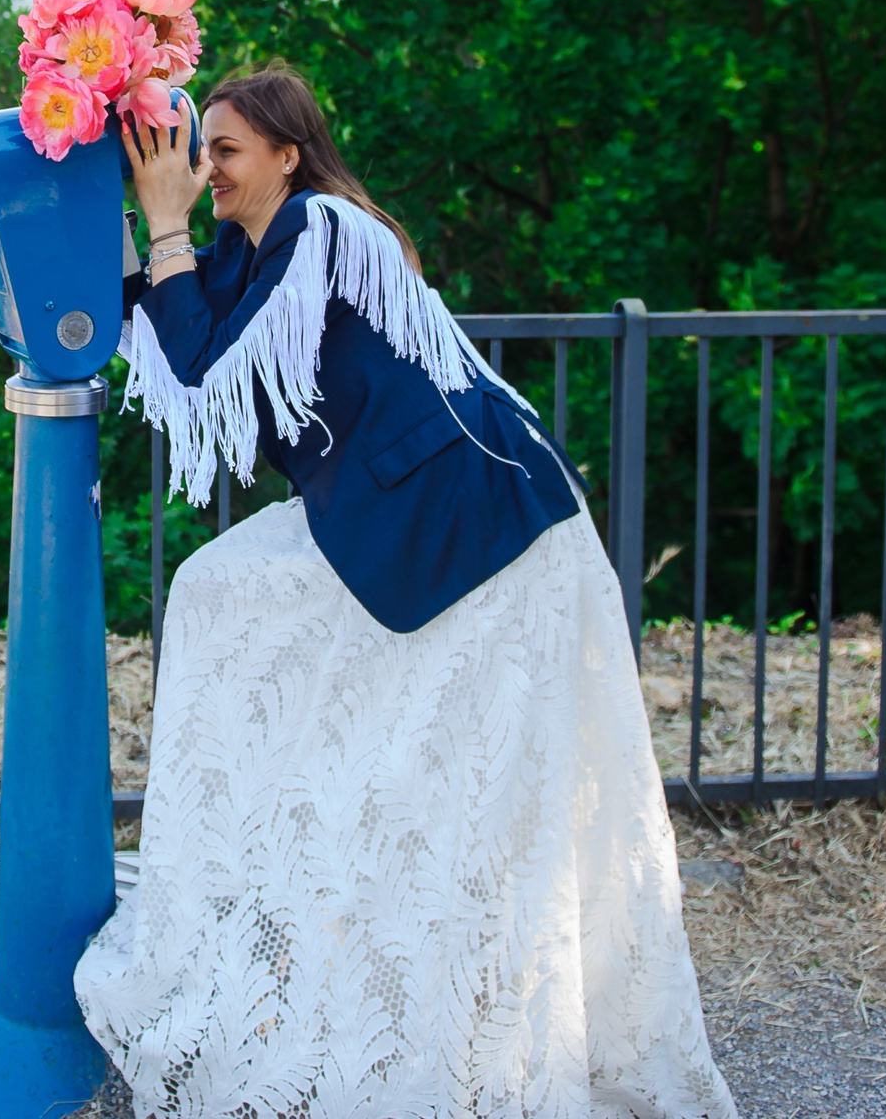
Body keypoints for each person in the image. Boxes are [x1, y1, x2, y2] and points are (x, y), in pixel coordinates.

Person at [74, 65, 735, 1119]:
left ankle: (439, 1001)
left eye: (225, 152)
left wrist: (160, 227)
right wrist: (104, 208)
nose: (207, 173)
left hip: (487, 532)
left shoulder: (325, 232)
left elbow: (207, 367)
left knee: (458, 780)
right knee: (218, 596)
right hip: (408, 525)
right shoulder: (249, 254)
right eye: (201, 152)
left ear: (290, 154)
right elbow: (172, 322)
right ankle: (289, 892)